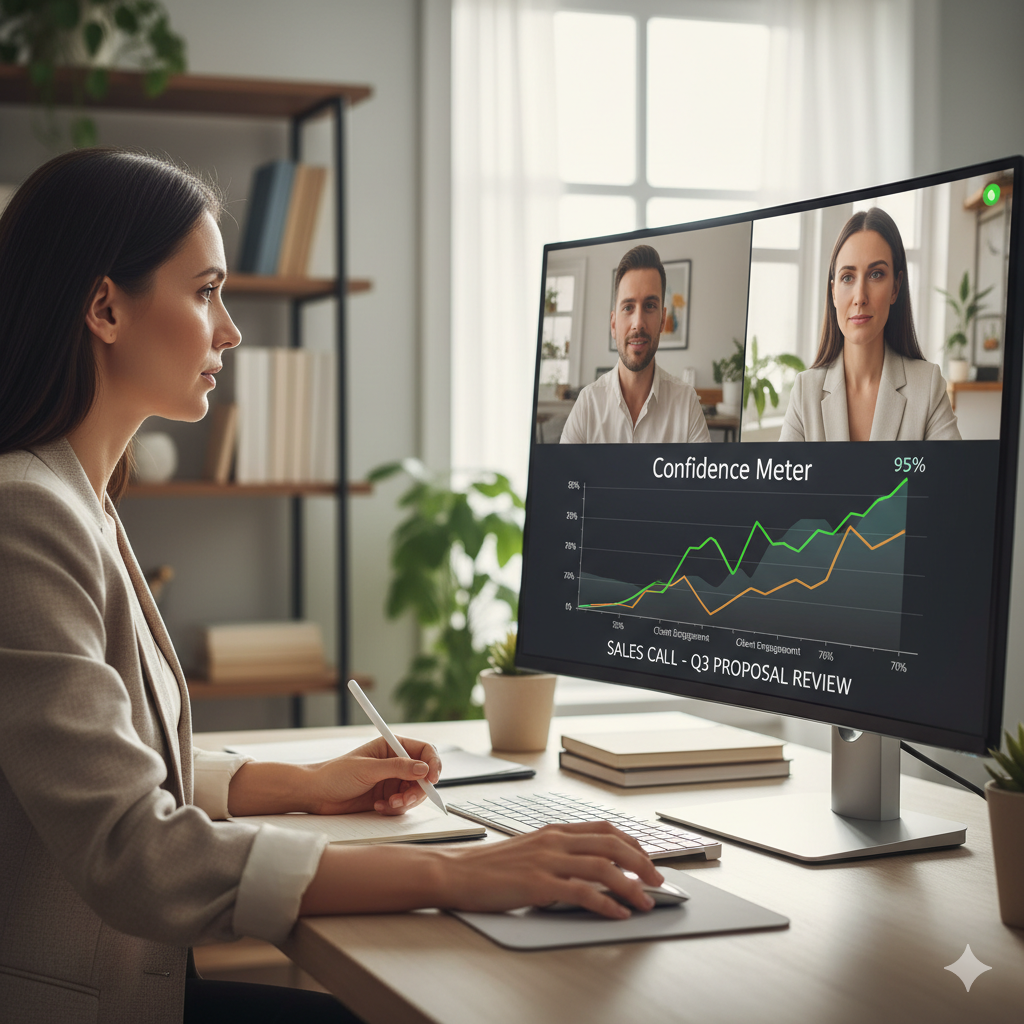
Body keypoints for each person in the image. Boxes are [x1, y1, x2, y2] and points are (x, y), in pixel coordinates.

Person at [0, 149, 665, 1024]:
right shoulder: (27, 516)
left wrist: (306, 781)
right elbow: (133, 848)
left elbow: (112, 759)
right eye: (205, 293)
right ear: (104, 307)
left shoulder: (80, 501)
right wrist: (456, 872)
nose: (230, 330)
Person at [780, 207, 960, 442]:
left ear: (895, 287)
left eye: (876, 274)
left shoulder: (928, 387)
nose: (860, 296)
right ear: (833, 292)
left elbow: (952, 478)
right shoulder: (805, 392)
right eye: (847, 277)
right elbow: (783, 479)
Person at [560, 244, 710, 443]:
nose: (638, 322)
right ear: (613, 324)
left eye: (649, 306)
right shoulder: (587, 404)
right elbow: (564, 474)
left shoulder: (686, 403)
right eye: (628, 307)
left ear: (663, 321)